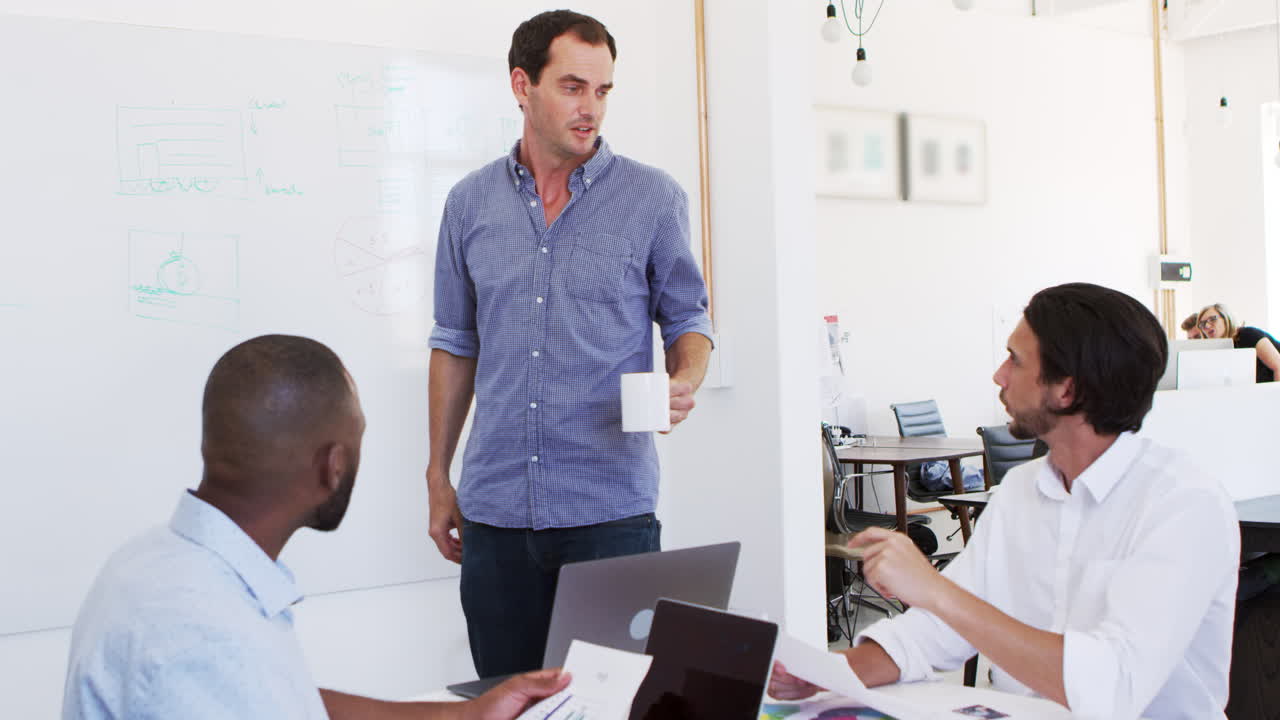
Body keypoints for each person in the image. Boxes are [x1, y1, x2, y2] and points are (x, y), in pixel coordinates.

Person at [770, 283, 1239, 720]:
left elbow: (1111, 687)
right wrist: (825, 674)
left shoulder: (1183, 506)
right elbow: (937, 630)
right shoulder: (1021, 491)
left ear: (1067, 389)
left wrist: (934, 589)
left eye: (1015, 360)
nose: (999, 375)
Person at [63, 335, 569, 720]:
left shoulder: (156, 561)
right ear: (333, 466)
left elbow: (281, 700)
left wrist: (462, 715)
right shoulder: (207, 638)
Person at [425, 9, 714, 678]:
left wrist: (685, 380)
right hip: (495, 514)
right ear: (521, 85)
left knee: (614, 705)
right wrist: (438, 475)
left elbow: (690, 321)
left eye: (603, 90)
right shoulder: (468, 204)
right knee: (504, 703)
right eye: (573, 87)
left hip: (609, 514)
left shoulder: (652, 199)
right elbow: (454, 342)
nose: (592, 109)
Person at [1197, 302, 1280, 382]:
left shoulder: (1248, 335)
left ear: (1226, 318)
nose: (1207, 326)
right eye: (1202, 324)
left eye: (1212, 319)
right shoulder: (1220, 351)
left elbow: (1278, 366)